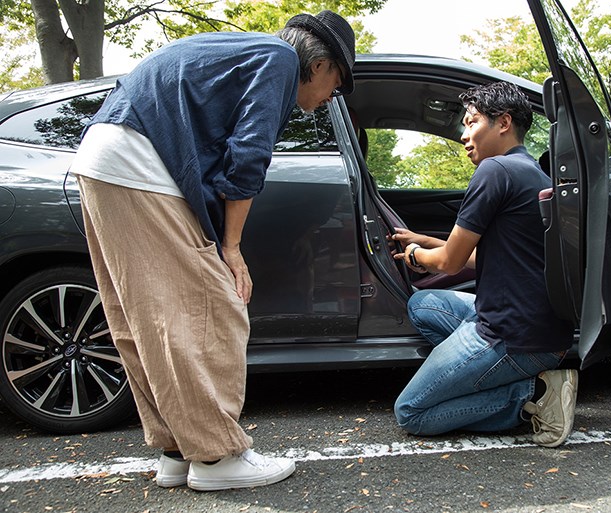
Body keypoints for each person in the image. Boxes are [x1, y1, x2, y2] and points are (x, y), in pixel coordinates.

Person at [69, 11, 356, 491]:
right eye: (338, 84)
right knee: (213, 306)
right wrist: (232, 248)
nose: (331, 98)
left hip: (102, 158)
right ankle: (218, 457)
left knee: (145, 319)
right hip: (142, 164)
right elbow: (247, 157)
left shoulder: (238, 51)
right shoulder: (280, 60)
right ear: (321, 63)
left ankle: (178, 449)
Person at [390, 81, 578, 447]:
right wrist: (430, 241)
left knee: (411, 412)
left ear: (503, 122)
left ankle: (532, 394)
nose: (464, 134)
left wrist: (417, 256)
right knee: (421, 304)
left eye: (472, 122)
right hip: (537, 326)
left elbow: (450, 262)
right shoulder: (530, 173)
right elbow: (491, 256)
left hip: (511, 336)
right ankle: (490, 374)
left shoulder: (494, 171)